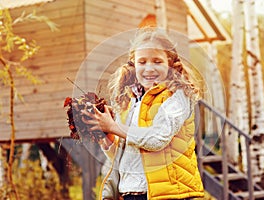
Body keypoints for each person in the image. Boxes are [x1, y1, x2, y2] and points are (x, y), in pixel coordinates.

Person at [82, 28, 204, 200]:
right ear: (133, 64)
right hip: (130, 193)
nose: (149, 68)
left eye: (157, 61)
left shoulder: (177, 96)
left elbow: (157, 139)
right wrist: (106, 133)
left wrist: (114, 126)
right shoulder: (128, 102)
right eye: (142, 62)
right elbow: (123, 155)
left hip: (170, 195)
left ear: (170, 64)